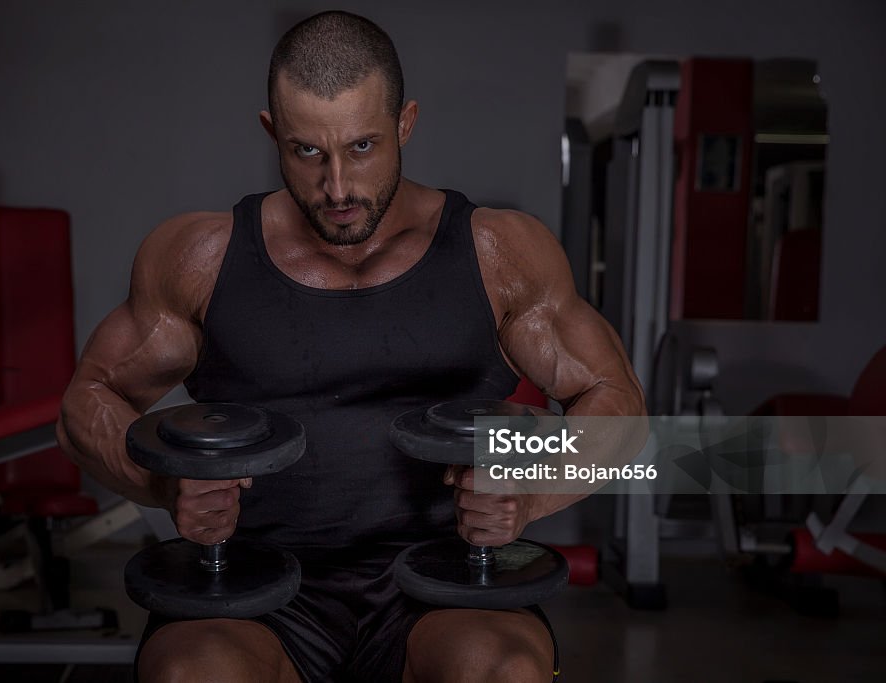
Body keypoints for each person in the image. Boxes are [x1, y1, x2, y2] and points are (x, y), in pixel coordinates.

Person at [57, 10, 644, 683]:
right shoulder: (201, 256)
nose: (337, 188)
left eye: (362, 147)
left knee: (501, 671)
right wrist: (165, 485)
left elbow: (619, 407)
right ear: (272, 133)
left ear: (405, 124)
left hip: (440, 584)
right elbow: (86, 401)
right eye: (307, 151)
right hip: (256, 593)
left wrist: (527, 490)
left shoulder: (497, 251)